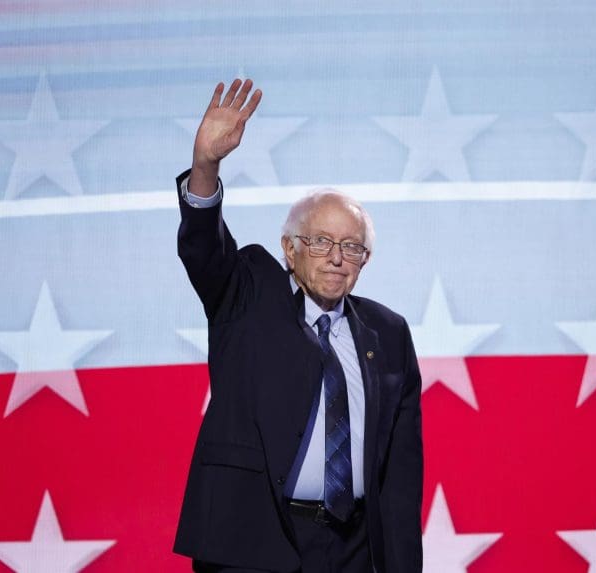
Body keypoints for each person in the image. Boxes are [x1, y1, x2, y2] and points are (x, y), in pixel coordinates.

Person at [172, 79, 423, 573]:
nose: (336, 258)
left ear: (364, 260)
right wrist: (206, 166)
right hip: (253, 542)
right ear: (290, 249)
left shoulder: (387, 333)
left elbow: (399, 473)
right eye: (321, 242)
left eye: (351, 247)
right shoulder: (248, 294)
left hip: (355, 548)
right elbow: (203, 247)